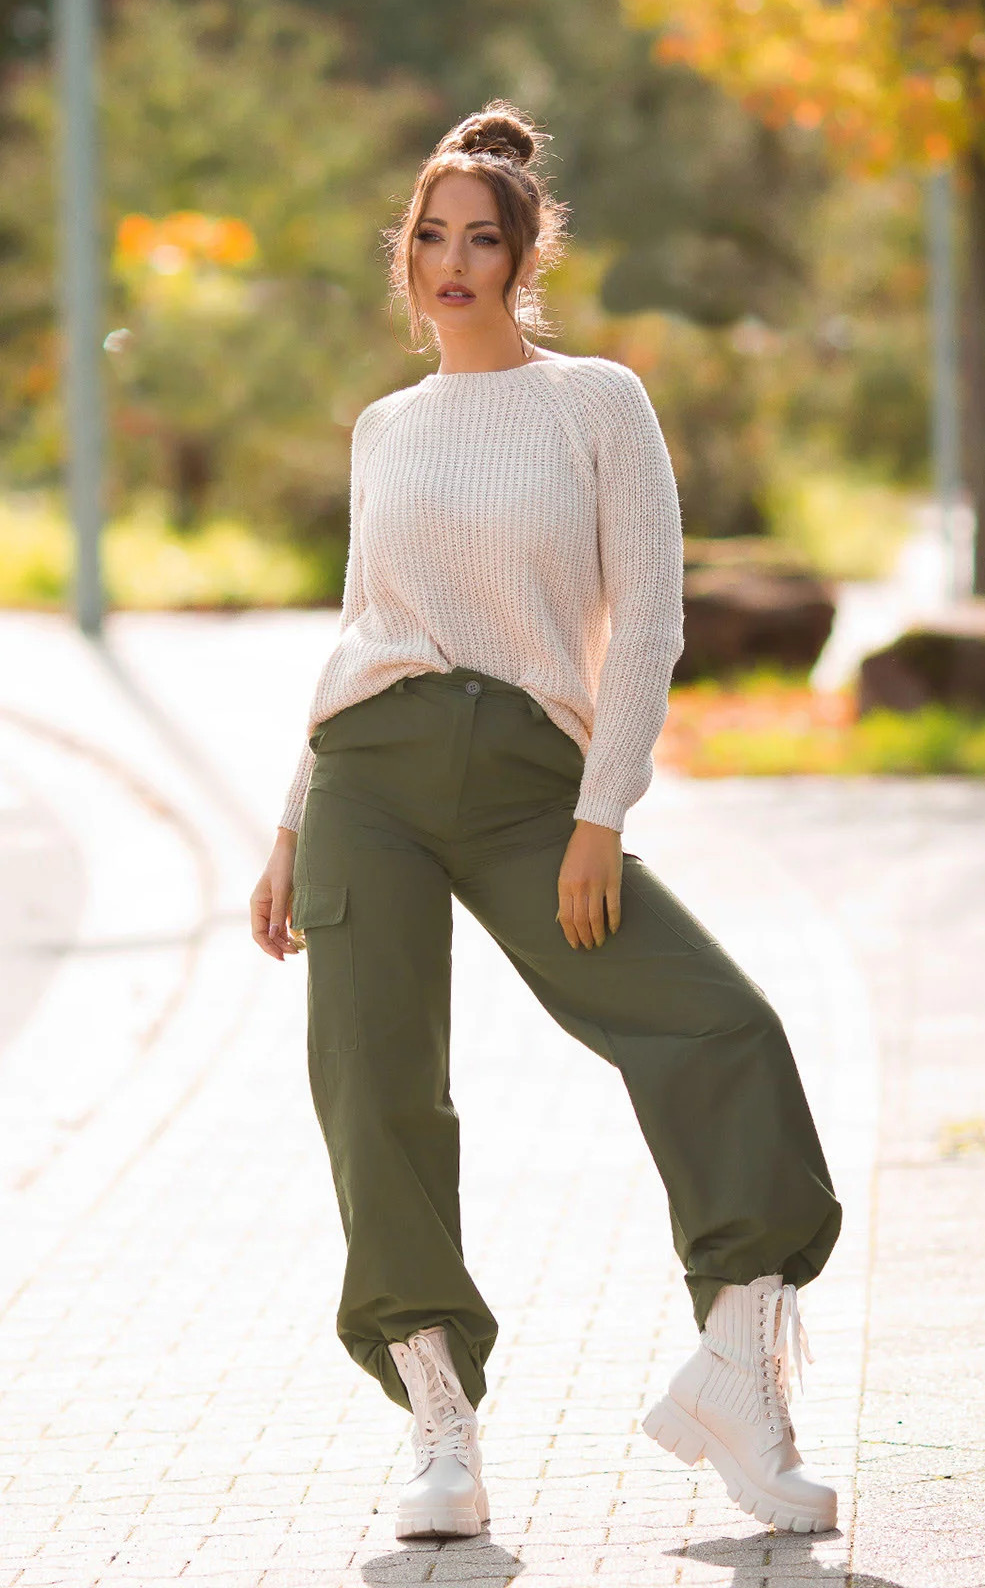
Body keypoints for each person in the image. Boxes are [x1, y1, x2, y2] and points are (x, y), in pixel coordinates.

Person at [250, 100, 842, 1542]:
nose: (452, 262)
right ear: (405, 257)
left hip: (532, 783)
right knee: (378, 1090)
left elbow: (649, 620)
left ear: (525, 258)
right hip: (368, 778)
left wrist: (600, 814)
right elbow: (360, 625)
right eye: (431, 237)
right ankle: (439, 1424)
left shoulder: (596, 404)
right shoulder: (386, 429)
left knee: (722, 1026)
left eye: (481, 240)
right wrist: (289, 827)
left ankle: (737, 1373)